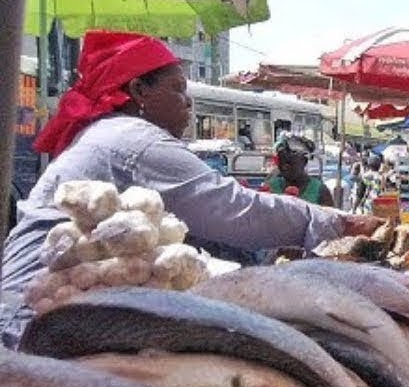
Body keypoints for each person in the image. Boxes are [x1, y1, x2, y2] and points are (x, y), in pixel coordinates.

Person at [0, 31, 381, 346]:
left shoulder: (108, 134)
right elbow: (232, 210)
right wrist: (336, 223)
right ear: (139, 91)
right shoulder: (133, 140)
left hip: (40, 312)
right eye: (177, 88)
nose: (189, 101)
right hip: (32, 321)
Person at [262, 134, 334, 207]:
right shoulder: (271, 187)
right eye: (281, 163)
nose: (284, 168)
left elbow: (329, 216)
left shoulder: (320, 191)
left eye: (290, 163)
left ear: (304, 162)